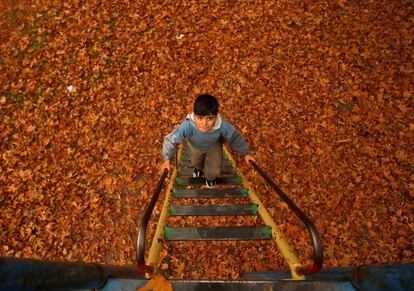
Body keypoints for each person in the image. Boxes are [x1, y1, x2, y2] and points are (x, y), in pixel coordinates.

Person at [160, 94, 255, 188]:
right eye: (200, 118)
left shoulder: (222, 126)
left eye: (209, 118)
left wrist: (245, 153)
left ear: (216, 116)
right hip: (196, 147)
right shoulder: (188, 125)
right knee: (196, 162)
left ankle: (210, 178)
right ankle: (198, 169)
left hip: (214, 146)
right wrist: (167, 159)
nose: (204, 123)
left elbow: (235, 138)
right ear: (194, 115)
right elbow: (171, 140)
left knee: (213, 169)